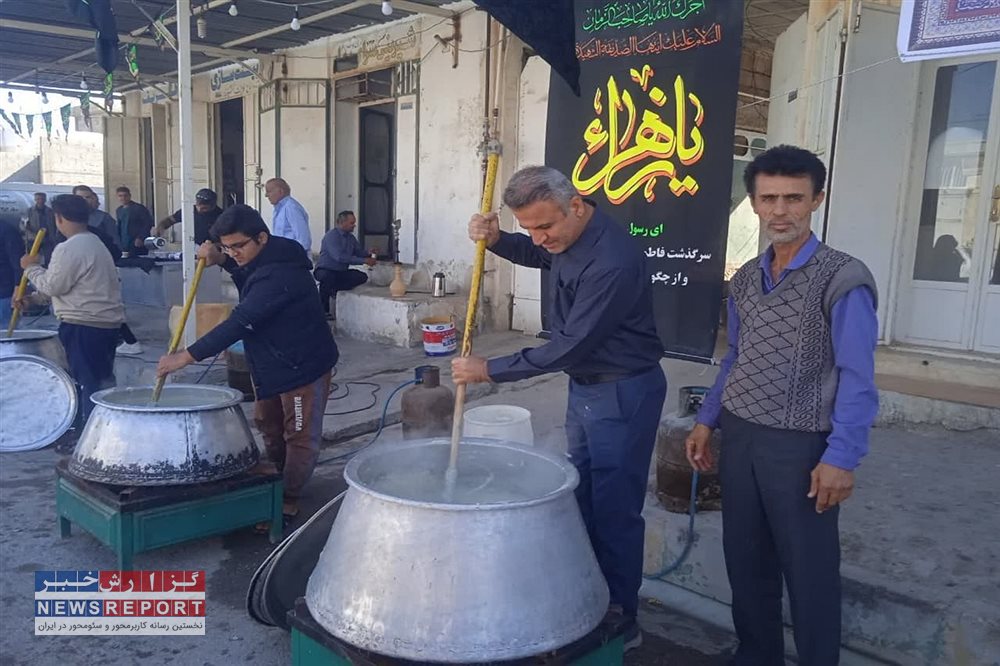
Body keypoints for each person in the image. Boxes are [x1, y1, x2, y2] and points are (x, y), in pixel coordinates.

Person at [450, 166, 665, 651]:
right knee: (578, 493)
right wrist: (499, 240)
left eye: (544, 226)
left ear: (577, 206)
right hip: (588, 389)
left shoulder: (612, 261)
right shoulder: (565, 237)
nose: (539, 238)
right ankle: (583, 593)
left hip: (622, 393)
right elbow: (539, 254)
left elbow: (570, 346)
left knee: (615, 510)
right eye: (529, 227)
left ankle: (620, 617)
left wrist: (489, 369)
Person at [685, 145, 879, 666]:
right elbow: (737, 356)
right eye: (768, 198)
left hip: (800, 447)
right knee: (746, 561)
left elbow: (858, 377)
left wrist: (842, 457)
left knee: (809, 570)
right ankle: (757, 656)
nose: (779, 211)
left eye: (793, 198)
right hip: (741, 436)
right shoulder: (747, 278)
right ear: (753, 203)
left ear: (817, 200)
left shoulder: (843, 278)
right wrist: (707, 419)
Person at [157, 204, 337, 519]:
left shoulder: (282, 274)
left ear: (261, 238)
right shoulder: (264, 256)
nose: (234, 253)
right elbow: (246, 274)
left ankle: (288, 497)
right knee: (268, 424)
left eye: (238, 246)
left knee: (299, 436)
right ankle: (277, 480)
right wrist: (222, 259)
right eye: (227, 247)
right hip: (272, 361)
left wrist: (185, 356)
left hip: (303, 365)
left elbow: (240, 322)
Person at [17, 194, 124, 428]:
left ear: (59, 218)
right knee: (100, 381)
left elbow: (53, 285)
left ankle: (91, 433)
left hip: (85, 325)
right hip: (102, 324)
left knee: (90, 383)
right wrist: (32, 300)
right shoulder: (95, 243)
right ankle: (103, 428)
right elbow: (64, 287)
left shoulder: (70, 247)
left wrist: (30, 268)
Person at [314, 210, 376, 317]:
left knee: (361, 276)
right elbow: (339, 257)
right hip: (325, 269)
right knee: (327, 277)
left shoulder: (351, 238)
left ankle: (334, 288)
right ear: (342, 223)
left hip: (340, 271)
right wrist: (363, 261)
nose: (354, 225)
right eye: (352, 223)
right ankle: (323, 310)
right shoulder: (331, 236)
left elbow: (358, 252)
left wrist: (368, 253)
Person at [155, 188, 223, 245]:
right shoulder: (189, 210)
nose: (199, 210)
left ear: (213, 206)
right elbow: (170, 220)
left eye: (204, 208)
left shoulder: (221, 216)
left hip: (212, 248)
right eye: (198, 206)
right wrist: (161, 227)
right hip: (191, 246)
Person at [265, 177, 311, 252]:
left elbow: (304, 239)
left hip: (294, 256)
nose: (266, 195)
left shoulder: (291, 207)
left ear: (280, 191)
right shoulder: (279, 208)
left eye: (269, 191)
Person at [114, 186, 155, 257]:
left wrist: (141, 237)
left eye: (125, 195)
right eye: (120, 196)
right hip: (124, 243)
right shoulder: (119, 210)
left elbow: (148, 223)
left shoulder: (139, 208)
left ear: (130, 196)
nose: (123, 198)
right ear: (117, 197)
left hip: (137, 242)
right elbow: (119, 226)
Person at [25, 192, 60, 266]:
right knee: (33, 259)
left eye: (42, 199)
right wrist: (31, 235)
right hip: (34, 239)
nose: (40, 201)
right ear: (35, 199)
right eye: (38, 199)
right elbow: (23, 224)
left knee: (49, 259)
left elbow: (56, 225)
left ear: (45, 200)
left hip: (48, 239)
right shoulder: (29, 211)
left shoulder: (50, 212)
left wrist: (55, 236)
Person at [1, 220, 25, 327]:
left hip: (5, 296)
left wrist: (18, 287)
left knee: (6, 333)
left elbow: (18, 263)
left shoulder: (7, 231)